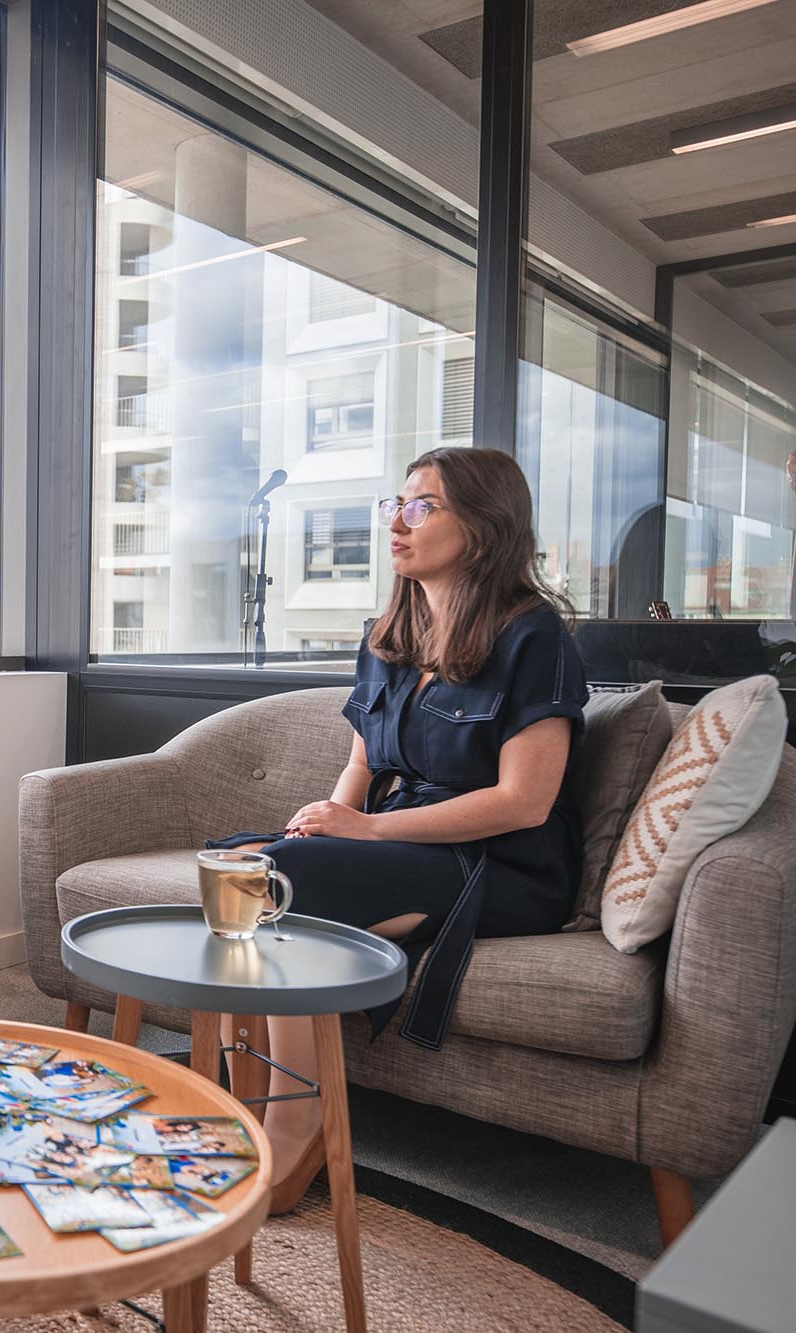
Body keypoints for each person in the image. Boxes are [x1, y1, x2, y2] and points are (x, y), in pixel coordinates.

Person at [209, 447, 587, 1211]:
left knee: (283, 888)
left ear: (481, 527)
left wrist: (367, 834)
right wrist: (323, 824)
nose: (398, 522)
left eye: (422, 506)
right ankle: (237, 1106)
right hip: (399, 838)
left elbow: (525, 801)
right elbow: (360, 763)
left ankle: (300, 1120)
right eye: (397, 504)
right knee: (238, 864)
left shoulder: (533, 636)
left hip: (496, 864)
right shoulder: (391, 631)